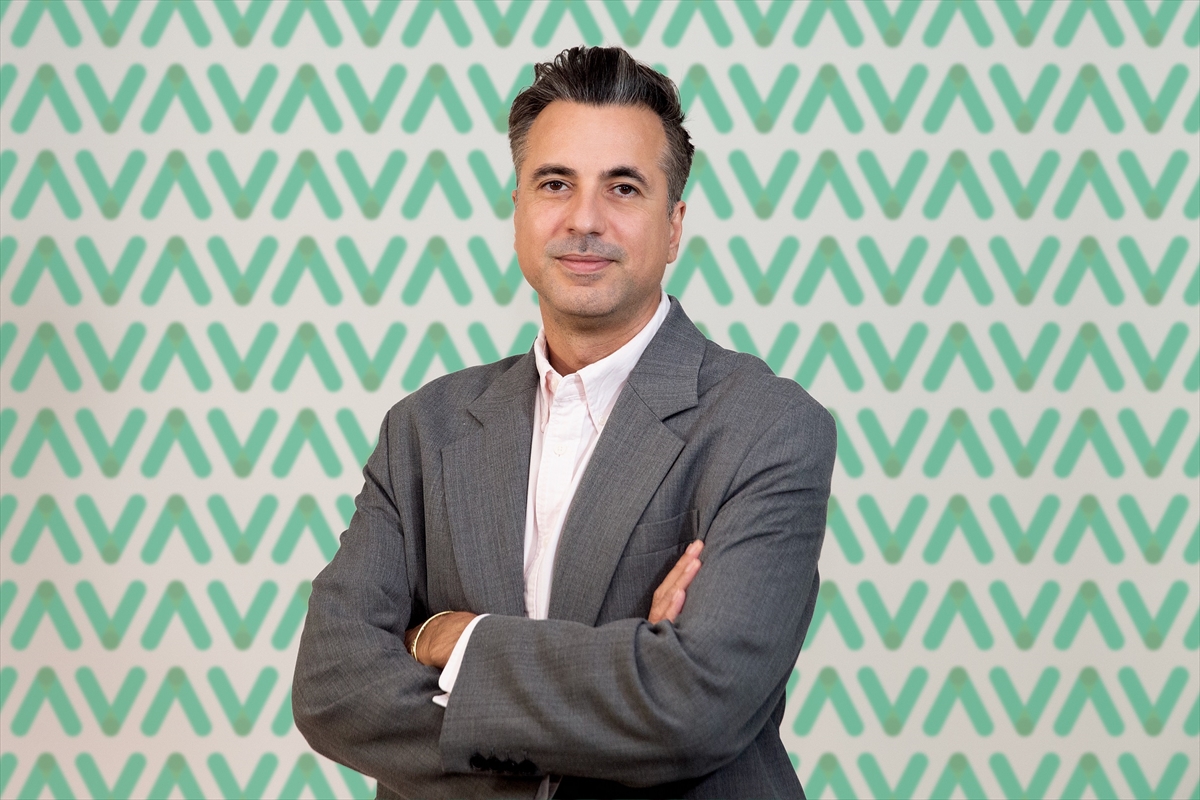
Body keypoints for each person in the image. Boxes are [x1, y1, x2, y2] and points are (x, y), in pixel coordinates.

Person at [293, 45, 835, 799]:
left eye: (623, 187)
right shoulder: (425, 429)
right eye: (556, 184)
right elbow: (332, 687)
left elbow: (695, 705)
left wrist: (457, 640)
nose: (585, 219)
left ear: (673, 226)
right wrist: (626, 676)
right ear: (518, 211)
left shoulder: (766, 427)